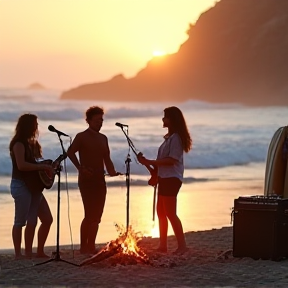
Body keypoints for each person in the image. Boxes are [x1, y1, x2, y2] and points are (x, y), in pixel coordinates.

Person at [137, 106, 192, 254]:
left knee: (170, 213)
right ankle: (163, 246)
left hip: (172, 178)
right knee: (161, 213)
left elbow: (171, 161)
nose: (163, 119)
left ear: (171, 119)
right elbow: (160, 165)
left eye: (165, 117)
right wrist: (146, 163)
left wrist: (150, 161)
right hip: (164, 178)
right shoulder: (168, 139)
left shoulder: (176, 139)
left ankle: (182, 246)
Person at [67, 106, 120, 254]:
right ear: (88, 121)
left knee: (97, 215)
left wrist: (113, 172)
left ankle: (91, 244)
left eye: (101, 120)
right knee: (89, 214)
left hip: (99, 179)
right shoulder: (81, 136)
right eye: (97, 120)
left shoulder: (104, 138)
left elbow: (107, 158)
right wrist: (80, 168)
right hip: (86, 180)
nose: (100, 123)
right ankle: (83, 246)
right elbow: (70, 152)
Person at [9, 113, 54, 259]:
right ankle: (18, 254)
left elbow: (33, 163)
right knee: (20, 221)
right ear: (28, 126)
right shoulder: (18, 144)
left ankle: (32, 252)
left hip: (33, 185)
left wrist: (46, 165)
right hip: (21, 185)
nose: (36, 127)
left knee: (39, 219)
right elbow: (21, 166)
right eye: (34, 124)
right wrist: (41, 168)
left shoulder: (29, 143)